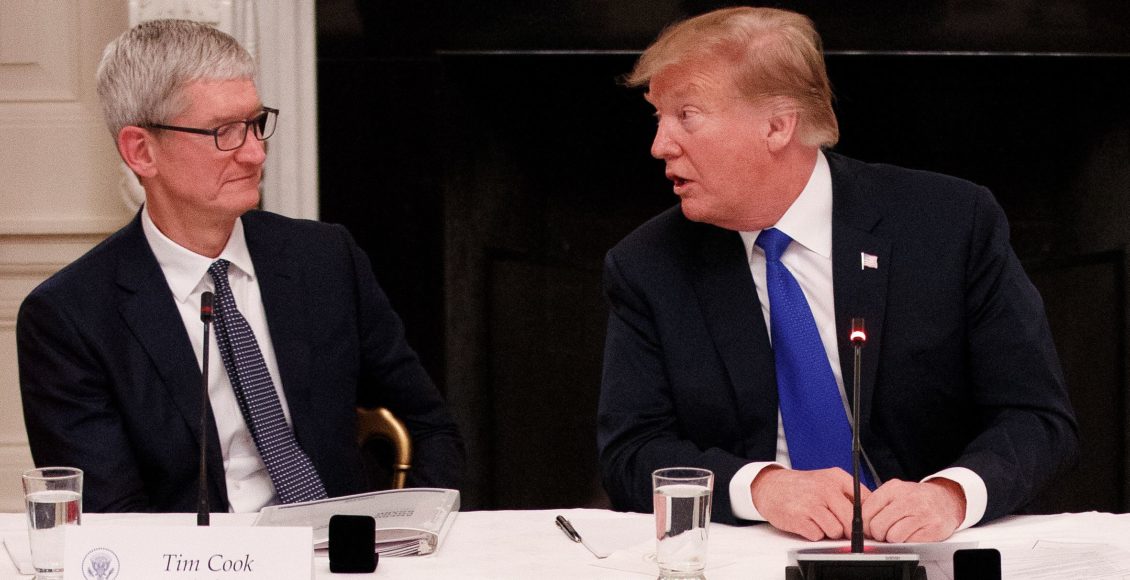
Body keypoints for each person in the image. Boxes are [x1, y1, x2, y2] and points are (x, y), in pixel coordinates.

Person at [598, 6, 1077, 543]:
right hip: (755, 546)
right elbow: (630, 451)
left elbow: (1037, 418)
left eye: (686, 115)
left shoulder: (949, 224)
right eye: (658, 116)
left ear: (777, 125)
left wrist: (951, 494)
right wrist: (760, 487)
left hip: (930, 544)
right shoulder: (648, 264)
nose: (660, 145)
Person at [17, 19, 464, 513]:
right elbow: (113, 521)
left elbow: (431, 426)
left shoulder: (324, 259)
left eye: (255, 123)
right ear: (141, 151)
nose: (255, 153)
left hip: (343, 544)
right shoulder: (70, 318)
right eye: (224, 132)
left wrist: (413, 532)